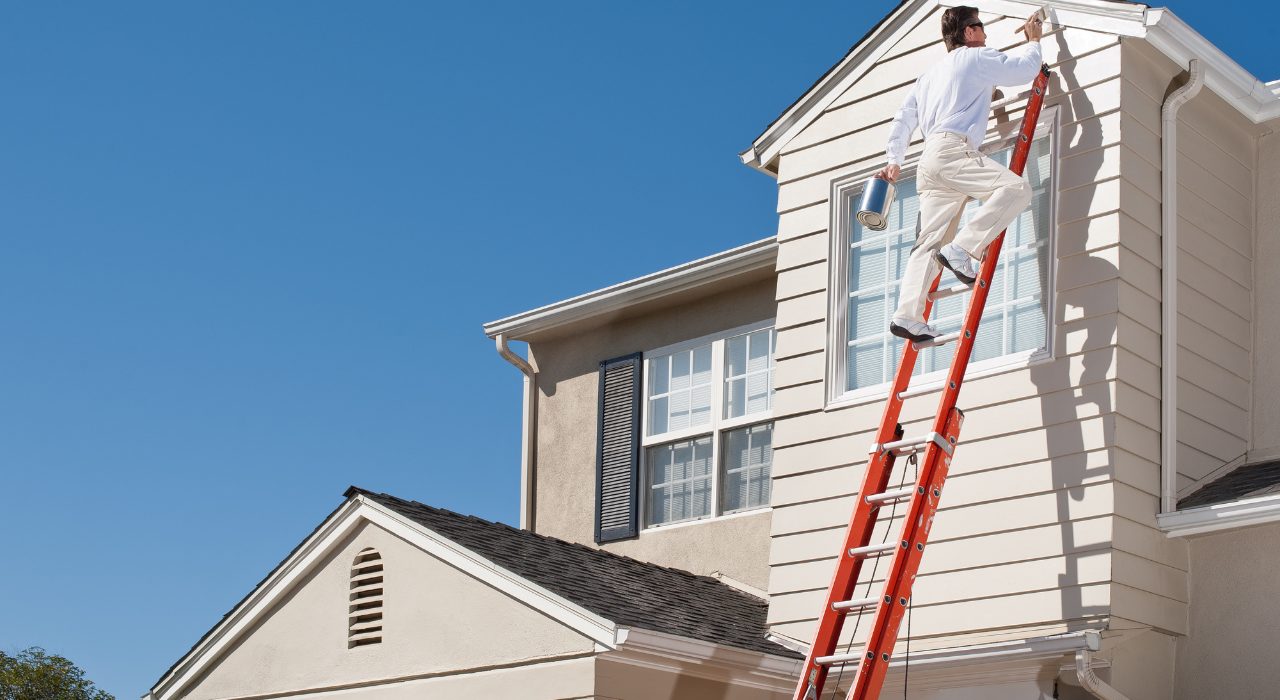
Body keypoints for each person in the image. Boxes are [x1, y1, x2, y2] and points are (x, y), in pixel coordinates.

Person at [878, 6, 1044, 343]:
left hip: (929, 161)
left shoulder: (928, 77)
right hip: (954, 151)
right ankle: (963, 249)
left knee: (928, 242)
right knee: (1017, 190)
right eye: (981, 27)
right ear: (969, 33)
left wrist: (894, 159)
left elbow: (903, 120)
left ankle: (907, 315)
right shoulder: (975, 58)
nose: (986, 34)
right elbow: (1026, 69)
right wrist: (1035, 41)